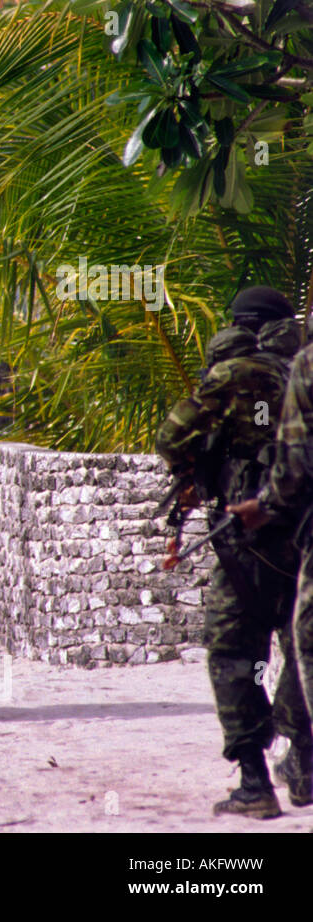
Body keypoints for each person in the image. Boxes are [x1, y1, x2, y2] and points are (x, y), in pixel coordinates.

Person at [170, 286, 313, 818]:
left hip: (248, 534)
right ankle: (303, 759)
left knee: (234, 650)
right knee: (301, 648)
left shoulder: (234, 373)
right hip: (303, 535)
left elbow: (173, 436)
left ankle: (254, 782)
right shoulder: (303, 366)